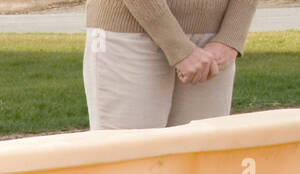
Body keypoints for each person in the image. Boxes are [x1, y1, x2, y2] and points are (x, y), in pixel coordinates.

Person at [83, 0, 258, 130]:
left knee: (201, 161)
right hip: (128, 34)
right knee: (132, 162)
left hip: (212, 41)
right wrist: (180, 48)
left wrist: (231, 37)